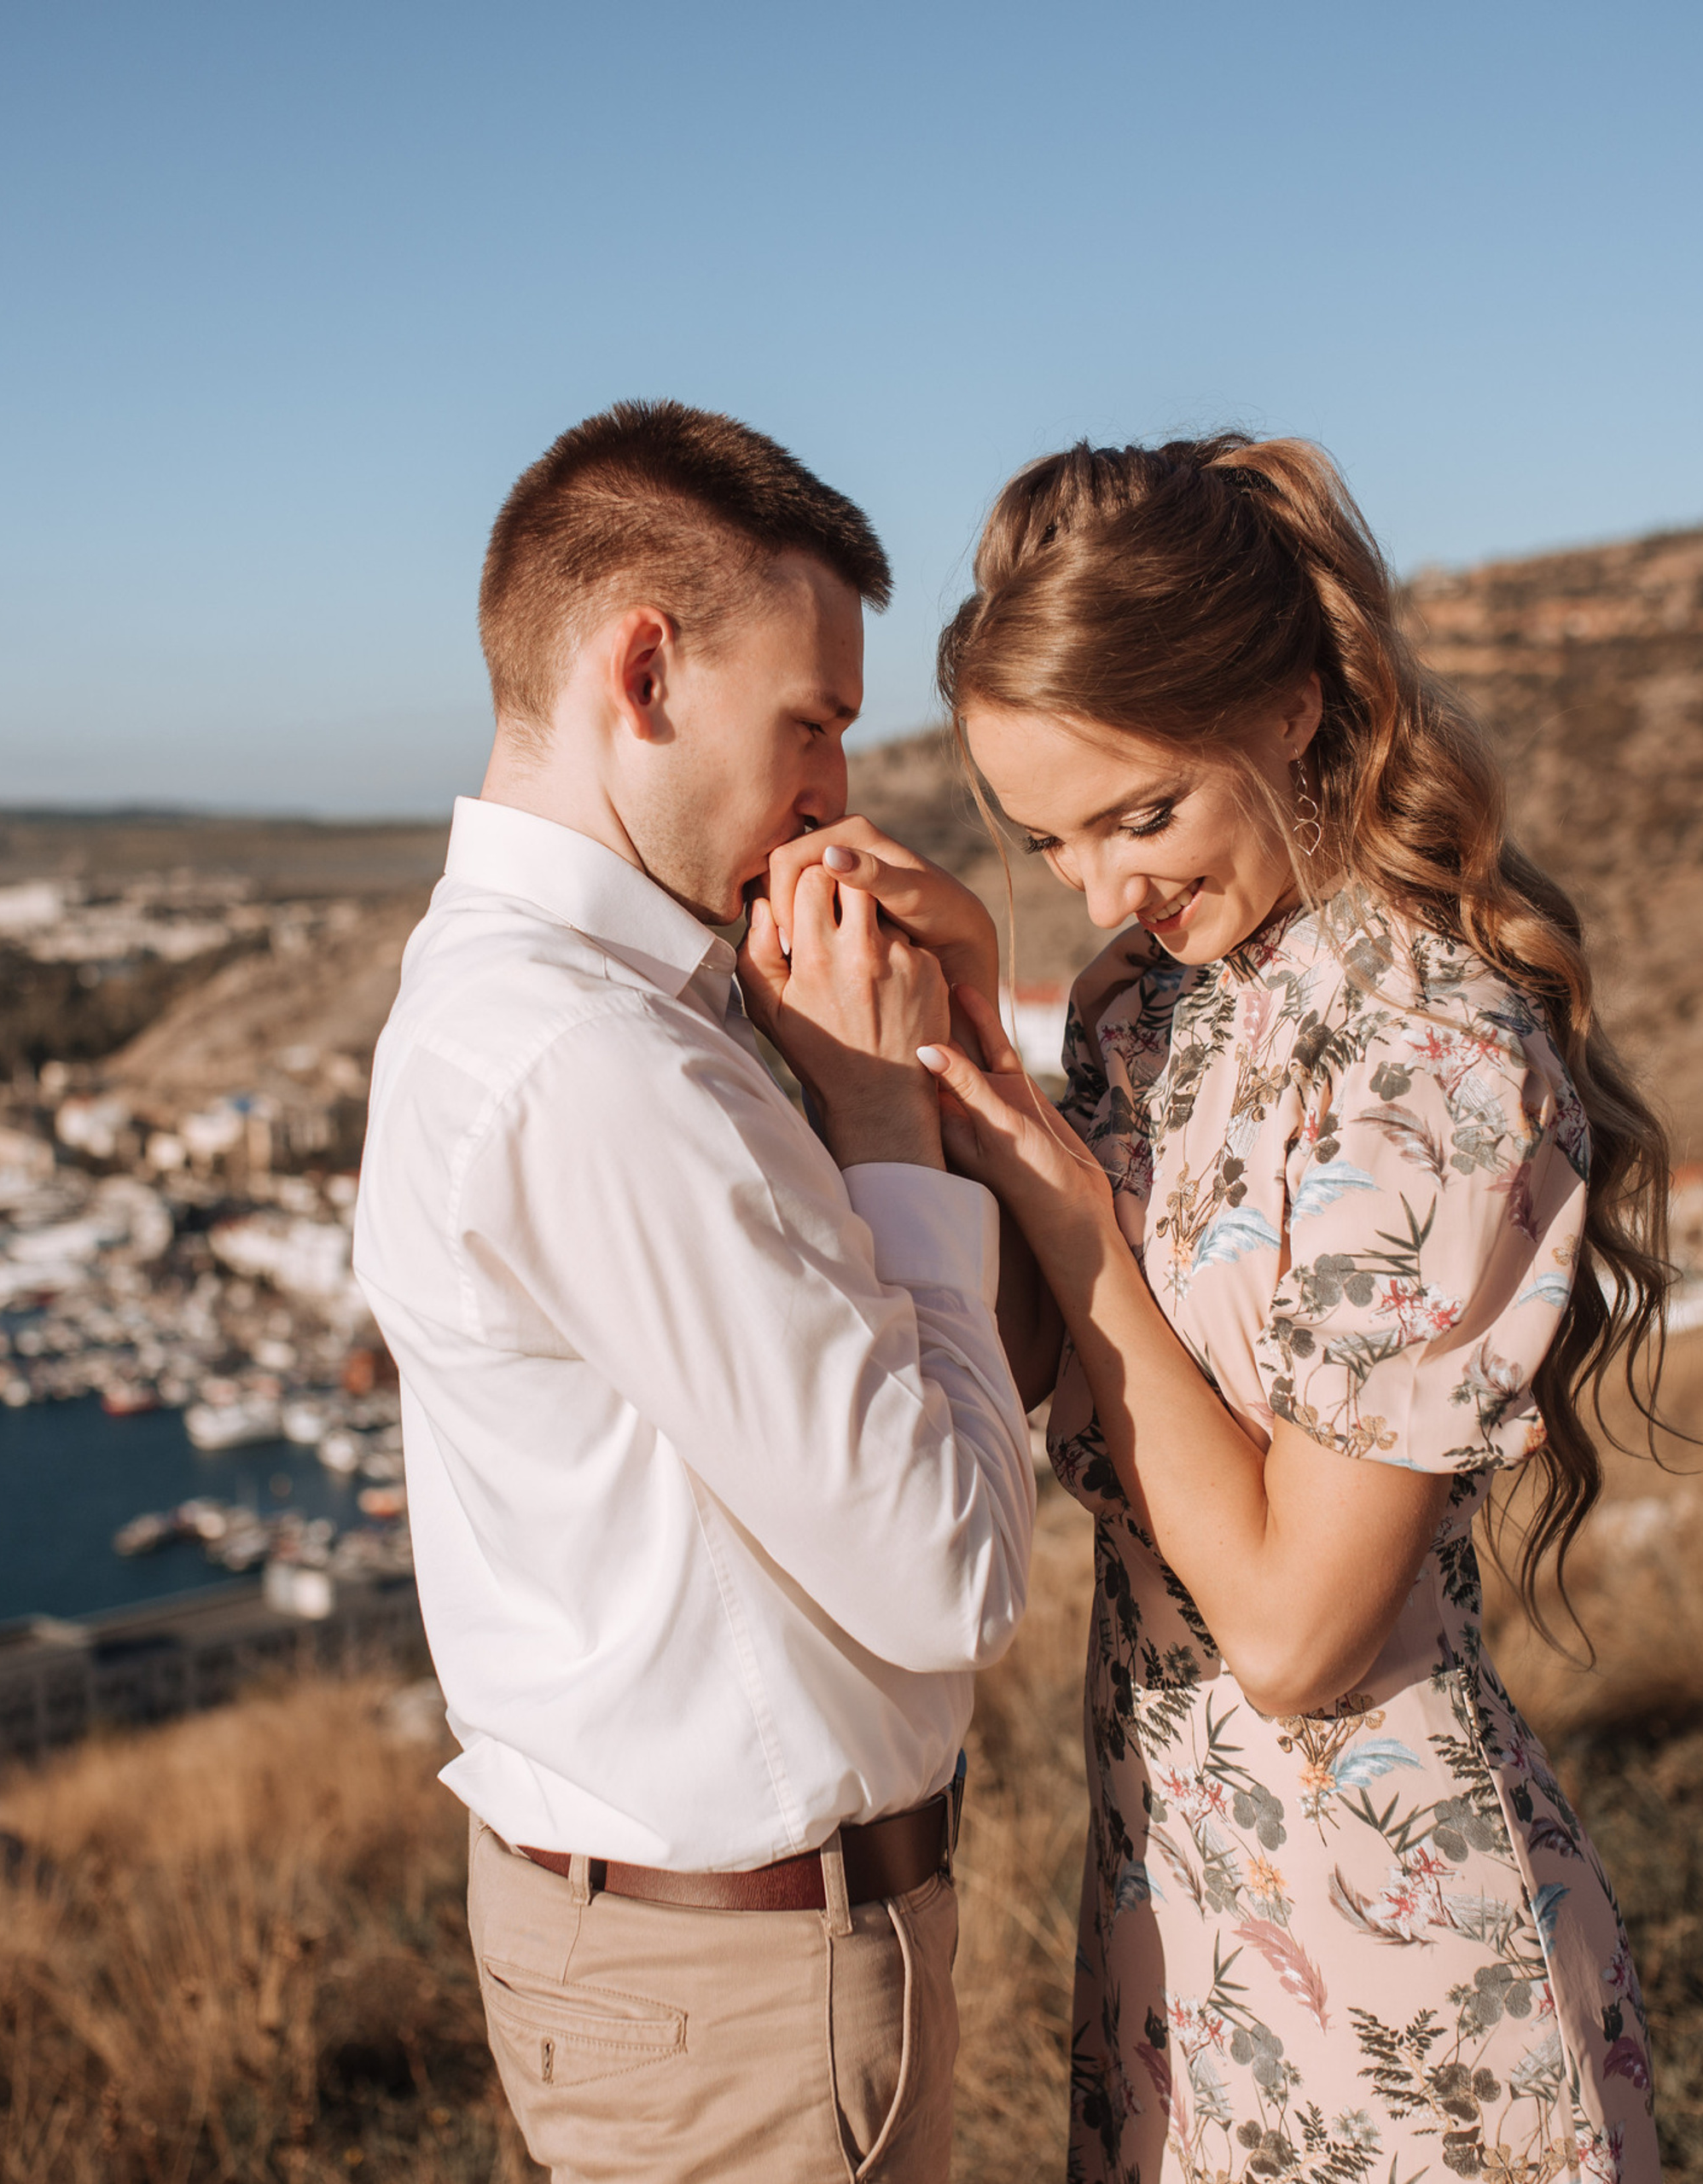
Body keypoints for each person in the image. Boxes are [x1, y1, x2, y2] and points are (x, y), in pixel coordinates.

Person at [788, 434, 1670, 2182]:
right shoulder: (1149, 999)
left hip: (1395, 1938)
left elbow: (1289, 1629)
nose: (1103, 891)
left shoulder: (1430, 1052)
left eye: (1140, 813)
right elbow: (1058, 1380)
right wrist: (970, 1020)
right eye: (1048, 836)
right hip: (1175, 1901)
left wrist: (1081, 1228)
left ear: (1283, 709)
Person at [351, 399, 1037, 2184]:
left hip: (705, 1962)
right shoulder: (598, 1062)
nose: (831, 789)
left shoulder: (605, 1005)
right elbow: (953, 1568)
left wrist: (947, 1035)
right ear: (640, 669)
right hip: (740, 1995)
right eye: (806, 721)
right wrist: (883, 1110)